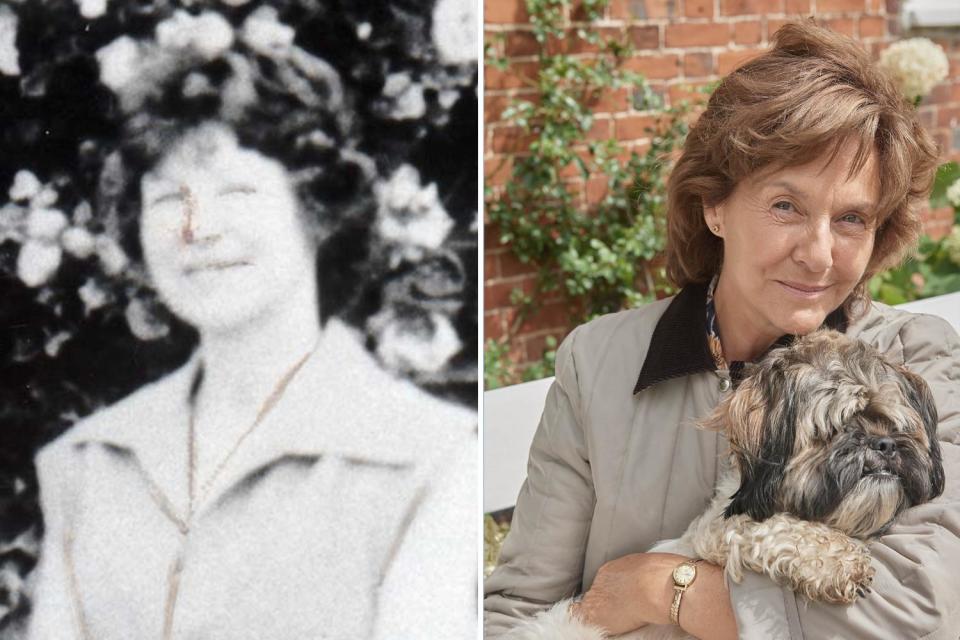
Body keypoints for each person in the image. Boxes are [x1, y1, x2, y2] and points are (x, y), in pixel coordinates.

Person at [484, 21, 960, 640]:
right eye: (786, 205)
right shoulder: (599, 361)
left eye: (850, 218)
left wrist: (659, 587)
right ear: (714, 204)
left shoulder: (917, 358)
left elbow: (925, 606)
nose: (819, 255)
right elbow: (517, 612)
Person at [25, 5, 476, 640]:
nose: (197, 229)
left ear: (317, 210)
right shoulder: (90, 463)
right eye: (165, 198)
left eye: (236, 192)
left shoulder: (428, 459)